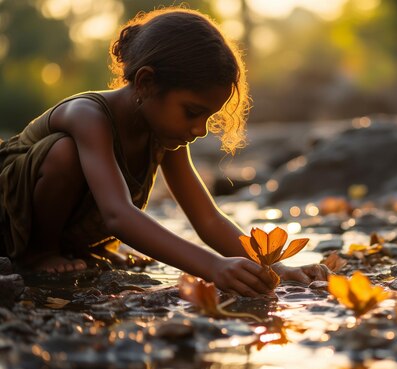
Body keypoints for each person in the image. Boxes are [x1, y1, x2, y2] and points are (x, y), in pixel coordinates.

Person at [0, 7, 327, 296]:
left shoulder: (161, 132)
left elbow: (208, 218)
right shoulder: (89, 116)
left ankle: (71, 250)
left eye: (208, 118)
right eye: (191, 112)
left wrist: (274, 269)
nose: (199, 130)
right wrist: (213, 267)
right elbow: (117, 214)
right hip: (8, 219)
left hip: (68, 237)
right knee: (64, 153)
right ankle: (38, 254)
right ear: (145, 83)